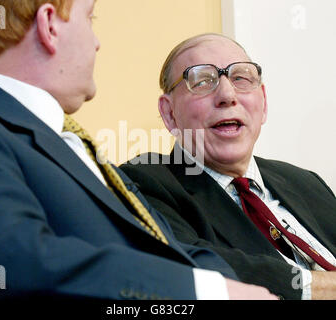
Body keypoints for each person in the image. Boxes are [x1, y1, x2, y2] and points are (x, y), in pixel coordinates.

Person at [0, 1, 278, 300]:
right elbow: (7, 259)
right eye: (90, 18)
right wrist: (208, 293)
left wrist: (232, 288)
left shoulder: (65, 141)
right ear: (49, 26)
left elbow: (168, 247)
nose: (97, 42)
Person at [121, 33, 336, 300]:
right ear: (169, 113)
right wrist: (323, 287)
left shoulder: (304, 182)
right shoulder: (145, 183)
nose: (227, 94)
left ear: (264, 102)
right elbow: (196, 268)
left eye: (241, 78)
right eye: (201, 81)